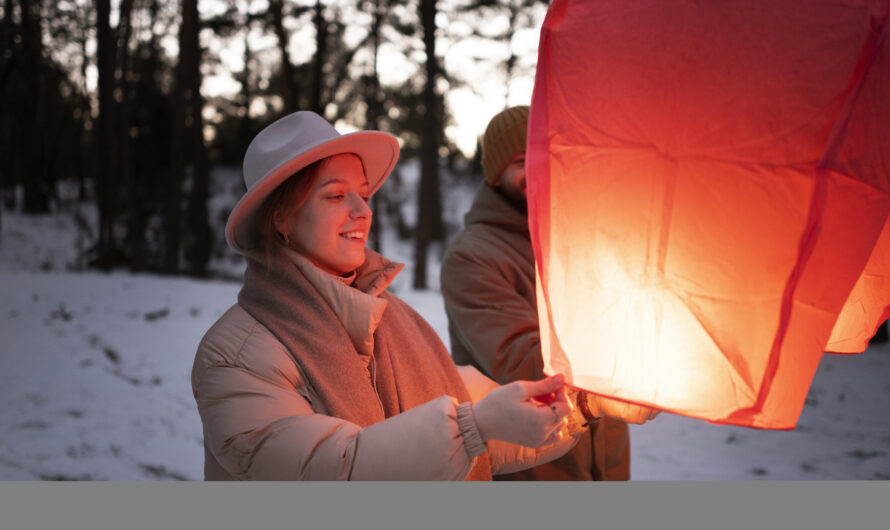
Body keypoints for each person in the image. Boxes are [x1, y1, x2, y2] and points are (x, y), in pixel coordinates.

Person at [191, 110, 586, 480]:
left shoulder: (386, 315)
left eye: (363, 194)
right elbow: (336, 471)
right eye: (335, 195)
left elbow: (474, 408)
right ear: (281, 218)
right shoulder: (235, 357)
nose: (362, 210)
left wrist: (579, 405)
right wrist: (473, 427)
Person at [441, 105, 656, 481]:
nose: (539, 167)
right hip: (532, 469)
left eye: (547, 155)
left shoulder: (588, 239)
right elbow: (525, 362)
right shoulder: (471, 256)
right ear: (496, 175)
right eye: (522, 159)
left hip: (607, 463)